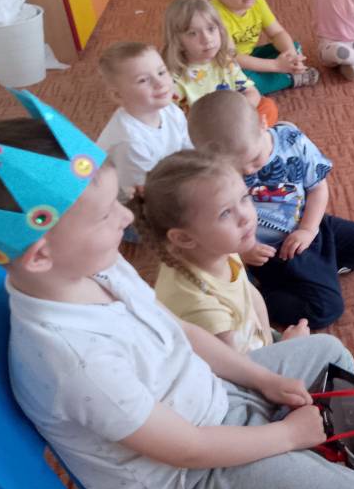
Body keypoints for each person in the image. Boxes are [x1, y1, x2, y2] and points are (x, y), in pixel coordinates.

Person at [0, 90, 354, 489]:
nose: (126, 216)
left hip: (209, 396)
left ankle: (312, 461)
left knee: (328, 353)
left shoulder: (97, 265)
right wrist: (285, 435)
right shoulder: (74, 360)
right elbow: (188, 449)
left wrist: (263, 378)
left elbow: (178, 329)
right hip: (186, 478)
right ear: (41, 255)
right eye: (104, 215)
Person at [188, 90, 354, 330]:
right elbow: (216, 228)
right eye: (236, 167)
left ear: (263, 123)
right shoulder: (211, 175)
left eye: (254, 159)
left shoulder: (292, 140)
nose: (248, 171)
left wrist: (308, 230)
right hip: (271, 252)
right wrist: (244, 250)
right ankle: (260, 295)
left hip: (310, 225)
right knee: (326, 309)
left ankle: (315, 273)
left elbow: (317, 188)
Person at [133, 150, 310, 353]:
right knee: (330, 349)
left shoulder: (215, 249)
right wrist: (287, 349)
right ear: (184, 238)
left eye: (244, 197)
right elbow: (241, 370)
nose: (246, 216)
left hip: (254, 339)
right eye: (225, 213)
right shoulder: (202, 311)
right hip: (243, 364)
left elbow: (250, 294)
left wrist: (271, 344)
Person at [206, 0, 319, 94]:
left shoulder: (257, 1)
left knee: (294, 46)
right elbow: (233, 57)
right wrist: (276, 65)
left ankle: (283, 71)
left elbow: (277, 33)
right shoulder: (214, 15)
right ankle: (289, 78)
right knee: (243, 83)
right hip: (227, 65)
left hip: (249, 55)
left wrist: (291, 54)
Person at [96, 41, 192, 203]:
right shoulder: (129, 141)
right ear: (118, 95)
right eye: (143, 80)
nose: (159, 83)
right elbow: (143, 194)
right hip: (127, 202)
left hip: (164, 178)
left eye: (161, 72)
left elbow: (188, 151)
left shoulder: (171, 110)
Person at [163, 0, 278, 126]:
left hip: (234, 117)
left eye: (211, 29)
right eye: (193, 33)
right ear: (178, 42)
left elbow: (251, 92)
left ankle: (247, 135)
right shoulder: (174, 79)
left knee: (267, 106)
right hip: (203, 128)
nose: (207, 39)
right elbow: (171, 121)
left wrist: (236, 113)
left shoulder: (226, 61)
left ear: (220, 30)